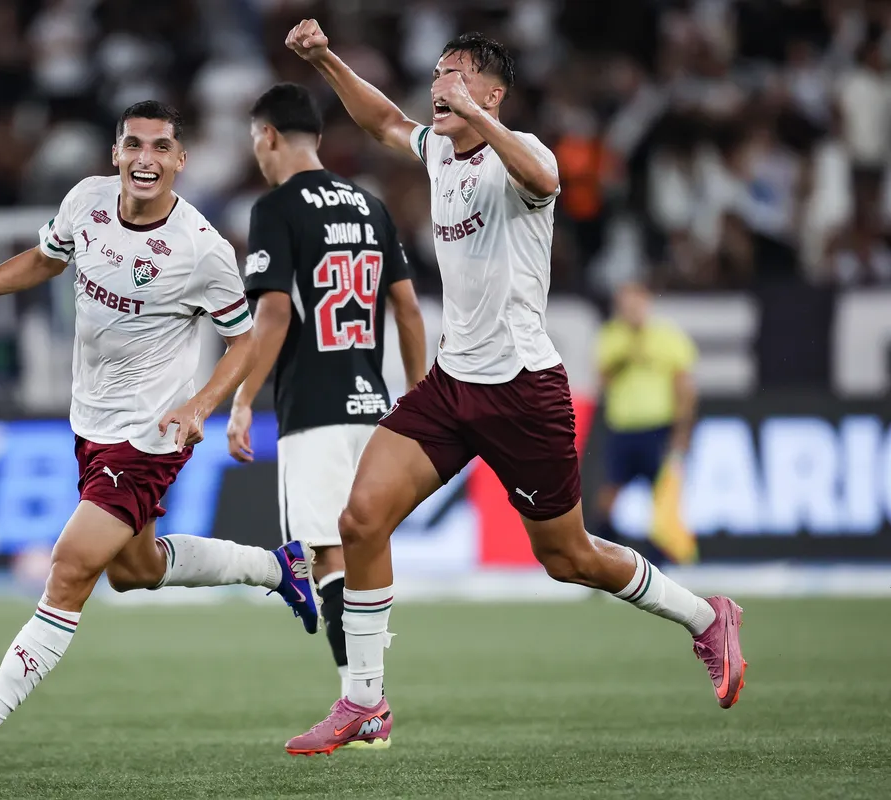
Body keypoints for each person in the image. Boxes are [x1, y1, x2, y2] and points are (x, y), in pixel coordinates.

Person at [281, 22, 748, 756]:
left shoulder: (519, 159)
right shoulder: (438, 149)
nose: (440, 84)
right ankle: (364, 702)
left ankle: (706, 616)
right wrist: (325, 60)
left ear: (493, 93)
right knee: (362, 518)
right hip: (452, 382)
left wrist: (481, 120)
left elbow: (546, 178)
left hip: (523, 390)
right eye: (437, 72)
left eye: (457, 74)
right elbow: (379, 119)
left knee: (568, 558)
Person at [0, 101, 320, 775]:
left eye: (161, 147)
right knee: (136, 570)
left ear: (181, 159)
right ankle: (278, 567)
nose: (146, 157)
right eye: (134, 144)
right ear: (116, 154)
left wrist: (203, 403)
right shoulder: (86, 202)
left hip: (149, 438)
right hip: (90, 424)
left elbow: (249, 337)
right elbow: (43, 259)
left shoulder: (201, 248)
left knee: (70, 568)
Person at [225, 83, 427, 719]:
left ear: (267, 136)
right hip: (374, 406)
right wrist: (420, 397)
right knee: (363, 549)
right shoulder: (371, 205)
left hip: (313, 407)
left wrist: (242, 398)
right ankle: (366, 697)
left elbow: (275, 314)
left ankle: (362, 700)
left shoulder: (276, 208)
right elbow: (409, 308)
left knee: (326, 557)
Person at [596, 282, 699, 563]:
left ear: (646, 303)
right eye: (624, 305)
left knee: (664, 499)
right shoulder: (612, 337)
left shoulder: (667, 336)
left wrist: (682, 430)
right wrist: (630, 348)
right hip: (623, 430)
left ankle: (661, 567)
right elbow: (604, 378)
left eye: (635, 304)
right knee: (607, 498)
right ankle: (603, 562)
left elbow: (684, 386)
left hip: (658, 429)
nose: (630, 311)